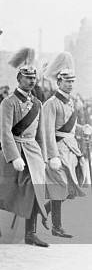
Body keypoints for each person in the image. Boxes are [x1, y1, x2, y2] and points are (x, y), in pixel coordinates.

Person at [0, 47, 48, 247]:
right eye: (27, 77)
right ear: (19, 78)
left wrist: (44, 156)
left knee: (35, 192)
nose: (31, 81)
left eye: (34, 78)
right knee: (1, 192)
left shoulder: (37, 104)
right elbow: (5, 132)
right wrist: (14, 156)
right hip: (13, 154)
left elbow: (40, 134)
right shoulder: (8, 103)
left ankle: (30, 233)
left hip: (32, 152)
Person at [42, 52, 91, 238]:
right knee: (59, 187)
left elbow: (69, 126)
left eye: (72, 81)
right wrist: (52, 156)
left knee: (70, 188)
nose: (70, 84)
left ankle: (42, 211)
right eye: (66, 82)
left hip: (72, 149)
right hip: (58, 149)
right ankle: (57, 227)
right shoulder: (51, 104)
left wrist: (82, 128)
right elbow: (47, 131)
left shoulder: (70, 102)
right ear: (58, 82)